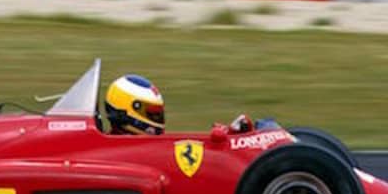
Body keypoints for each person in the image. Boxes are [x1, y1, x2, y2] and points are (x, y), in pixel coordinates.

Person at [104, 74, 273, 135]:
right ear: (130, 112)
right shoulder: (112, 149)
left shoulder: (142, 144)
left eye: (158, 112)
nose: (158, 118)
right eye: (152, 113)